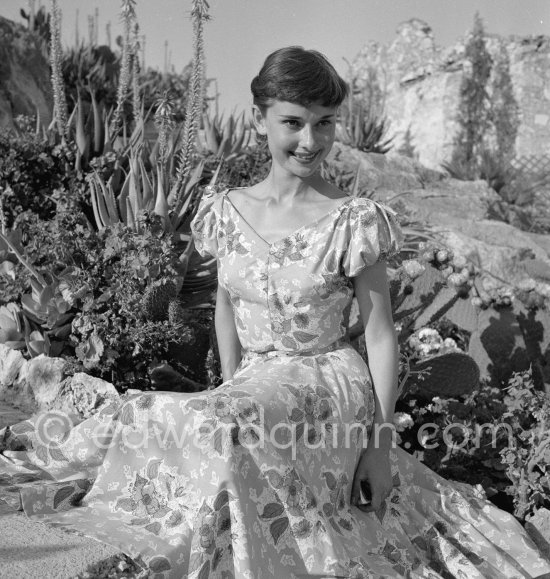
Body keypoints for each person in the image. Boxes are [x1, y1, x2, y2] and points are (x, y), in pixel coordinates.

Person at [0, 47, 549, 579]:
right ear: (258, 119)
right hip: (258, 383)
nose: (311, 141)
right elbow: (225, 307)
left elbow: (381, 338)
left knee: (212, 427)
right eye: (293, 122)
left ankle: (191, 555)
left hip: (326, 382)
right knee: (154, 415)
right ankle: (177, 544)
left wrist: (379, 449)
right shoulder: (226, 210)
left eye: (325, 123)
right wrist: (233, 388)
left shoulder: (352, 220)